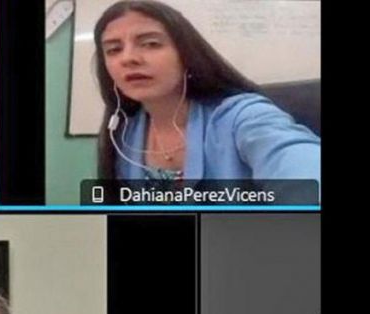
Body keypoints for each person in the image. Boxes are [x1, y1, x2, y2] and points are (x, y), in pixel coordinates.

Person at [94, 0, 320, 184]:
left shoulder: (243, 117)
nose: (128, 58)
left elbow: (300, 168)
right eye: (114, 49)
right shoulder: (124, 132)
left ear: (186, 54)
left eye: (151, 44)